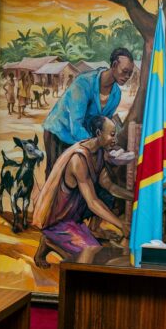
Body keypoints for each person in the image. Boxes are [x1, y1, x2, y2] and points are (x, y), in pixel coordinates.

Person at [31, 115, 131, 268]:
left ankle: (53, 241)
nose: (115, 139)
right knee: (89, 258)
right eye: (112, 134)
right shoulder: (78, 160)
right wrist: (121, 225)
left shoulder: (99, 153)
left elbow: (109, 186)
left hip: (74, 217)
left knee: (106, 199)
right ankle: (51, 240)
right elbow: (92, 202)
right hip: (60, 221)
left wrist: (134, 197)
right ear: (98, 133)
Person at [42, 48, 135, 178]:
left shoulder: (116, 94)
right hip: (59, 133)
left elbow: (104, 124)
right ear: (114, 65)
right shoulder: (84, 83)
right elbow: (75, 126)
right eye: (125, 72)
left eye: (130, 74)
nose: (127, 77)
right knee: (56, 176)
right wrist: (97, 145)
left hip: (85, 138)